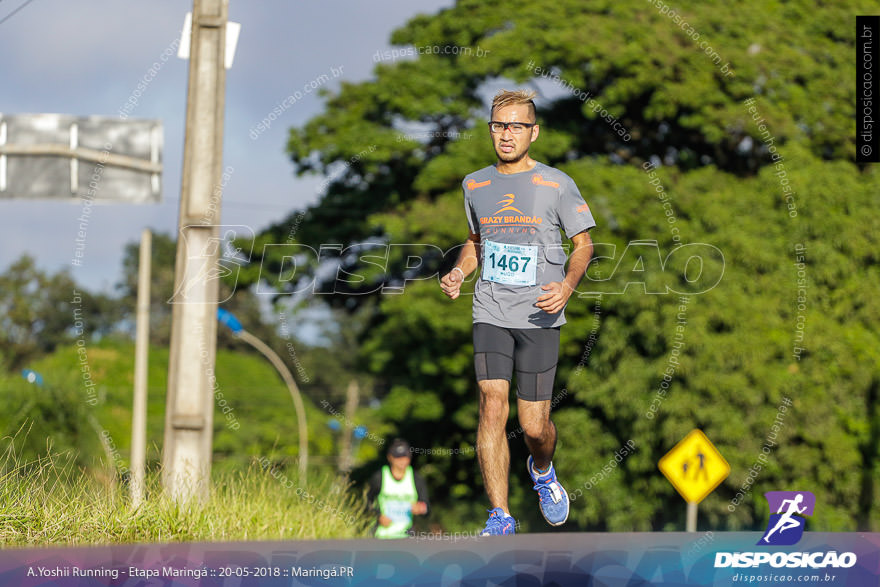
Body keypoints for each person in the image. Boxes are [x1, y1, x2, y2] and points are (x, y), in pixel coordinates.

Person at [440, 89, 595, 536]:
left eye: (515, 126)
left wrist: (566, 287)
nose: (505, 135)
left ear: (534, 132)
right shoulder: (475, 183)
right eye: (498, 125)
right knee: (491, 404)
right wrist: (459, 271)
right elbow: (475, 242)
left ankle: (542, 470)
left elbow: (584, 245)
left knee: (533, 425)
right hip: (490, 309)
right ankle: (500, 515)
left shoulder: (557, 183)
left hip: (540, 316)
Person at [366, 438, 430, 538]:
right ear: (390, 458)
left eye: (405, 457)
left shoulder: (416, 478)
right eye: (398, 457)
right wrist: (378, 516)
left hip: (406, 536)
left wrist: (421, 508)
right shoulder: (379, 477)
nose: (402, 461)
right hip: (381, 535)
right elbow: (366, 502)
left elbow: (427, 508)